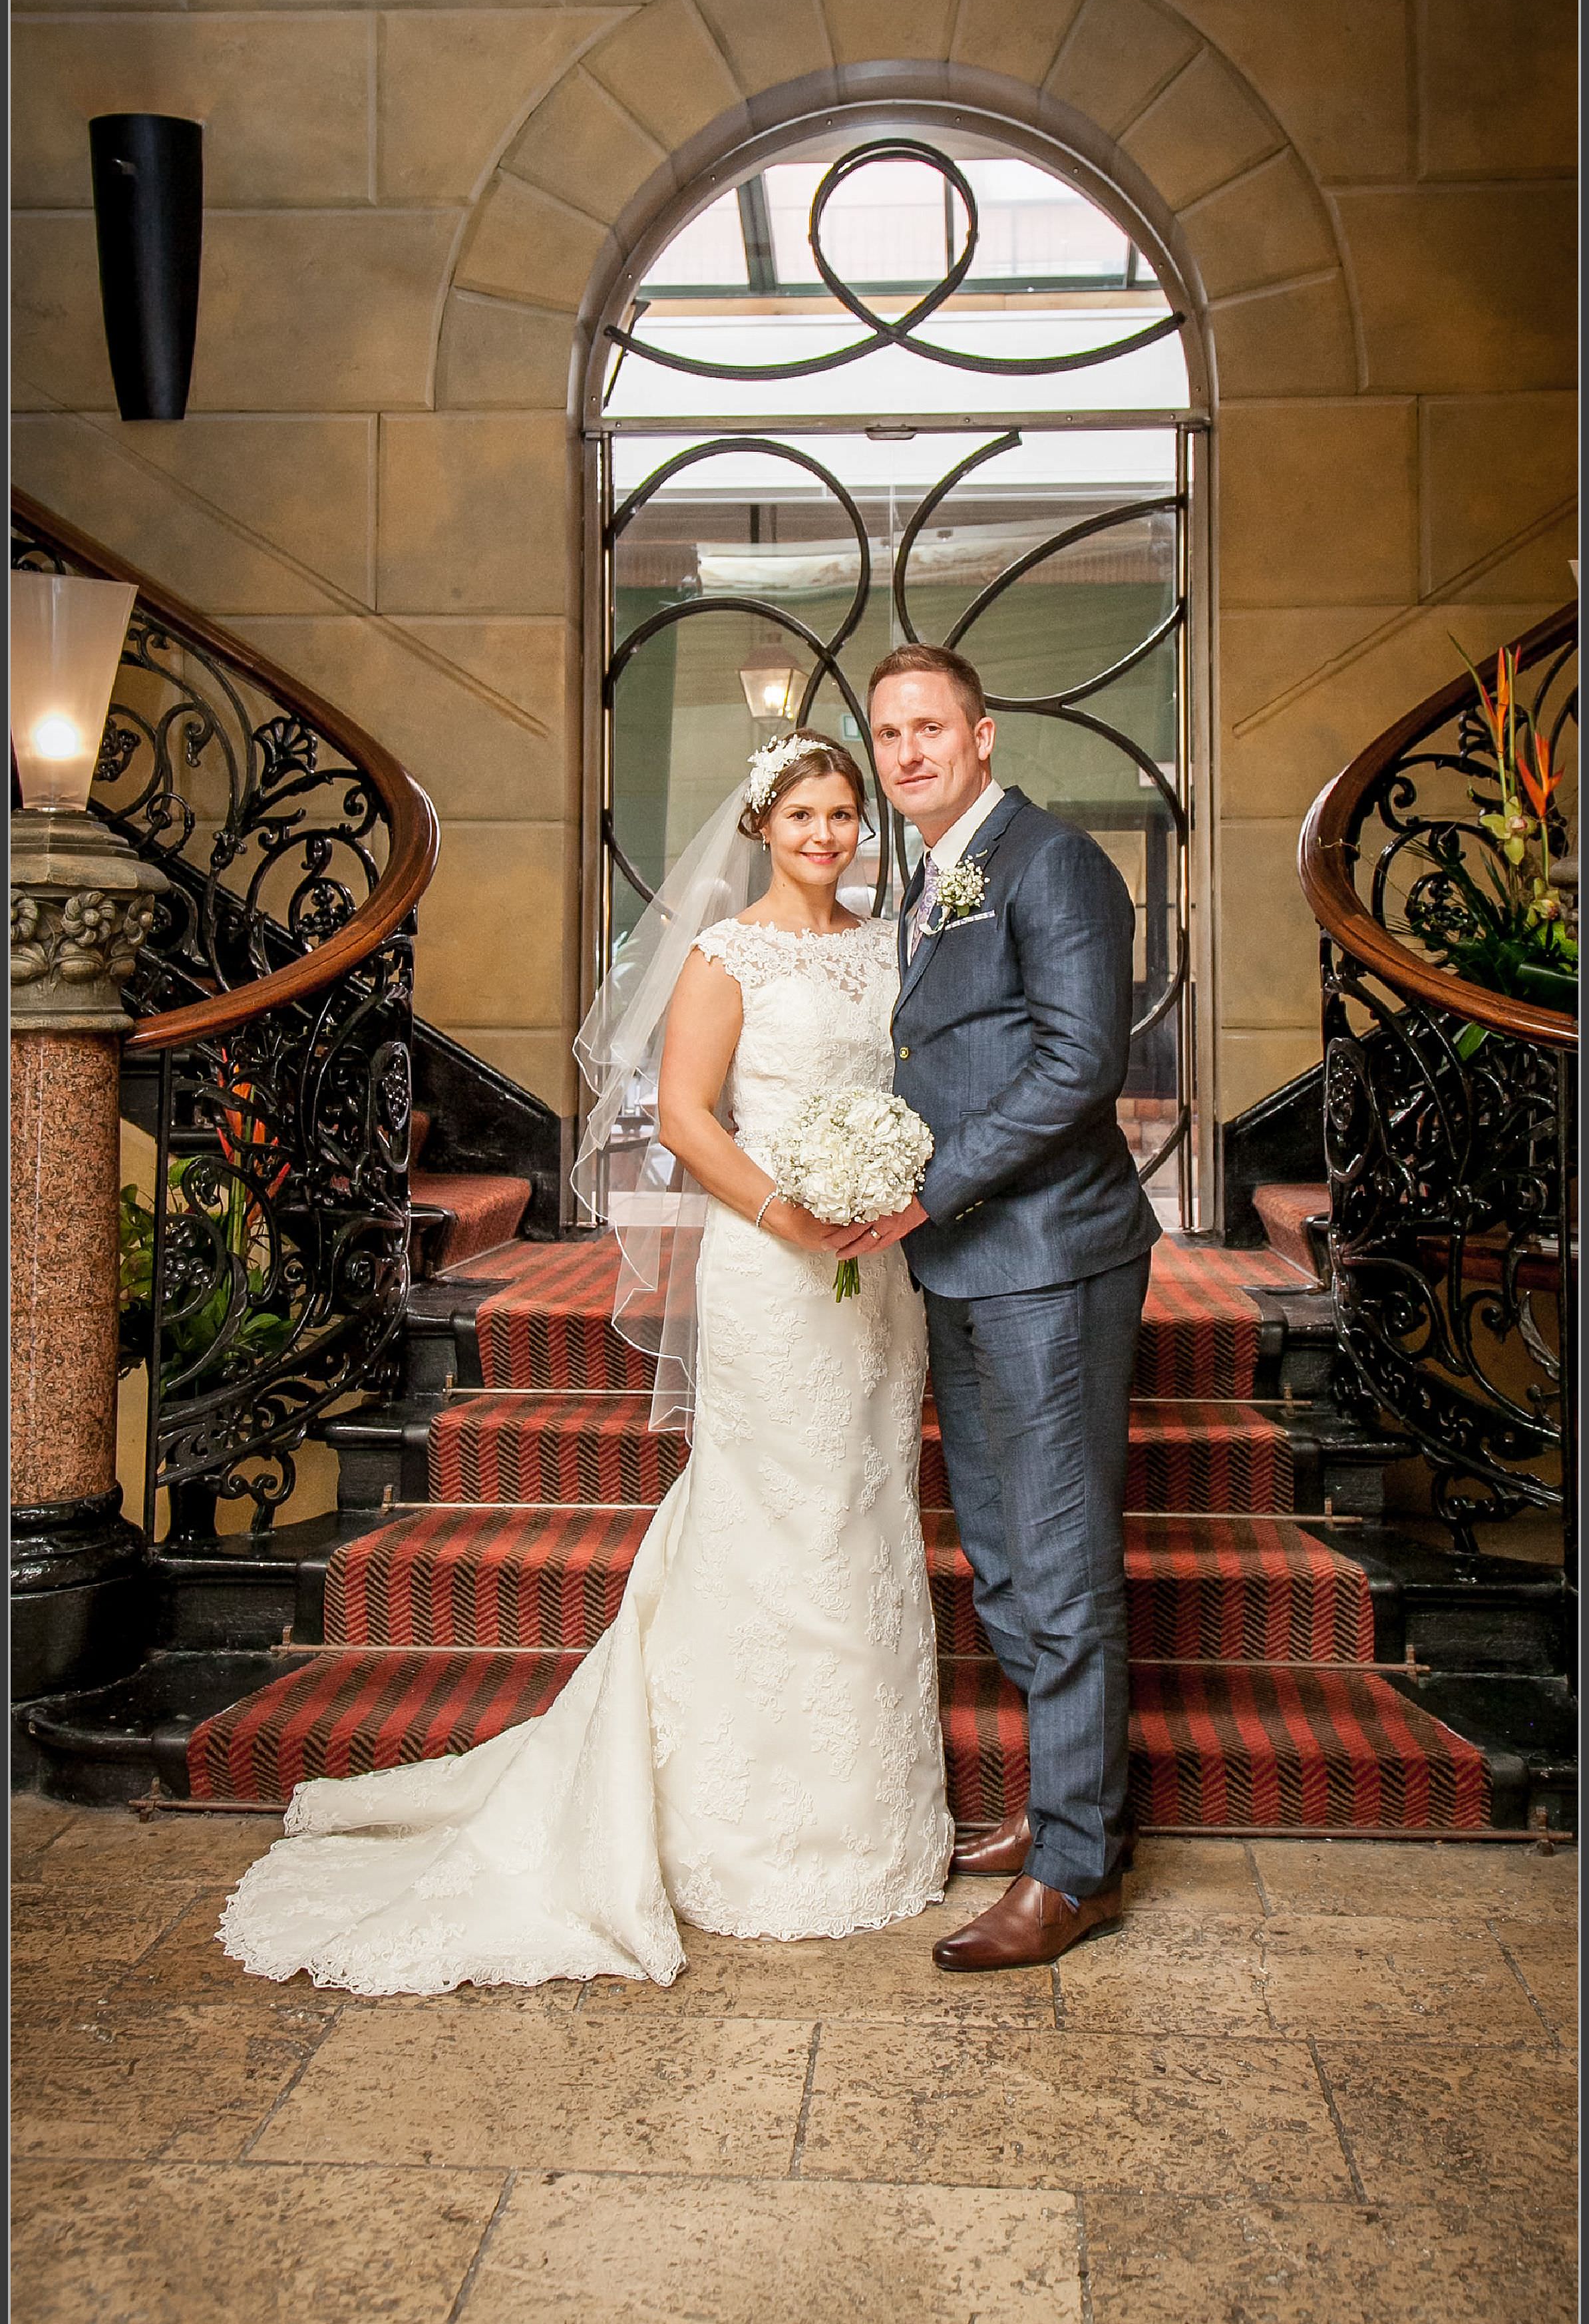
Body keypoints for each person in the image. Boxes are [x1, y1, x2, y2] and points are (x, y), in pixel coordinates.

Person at [215, 731, 954, 1995]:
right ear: (762, 828)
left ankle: (870, 1817)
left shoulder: (894, 947)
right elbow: (683, 1117)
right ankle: (743, 1831)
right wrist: (793, 1213)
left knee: (864, 1511)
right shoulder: (728, 956)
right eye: (805, 816)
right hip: (777, 1266)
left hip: (874, 1268)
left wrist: (885, 1191)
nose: (828, 836)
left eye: (844, 815)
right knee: (774, 1515)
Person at [833, 643, 1159, 1973]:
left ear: (983, 736)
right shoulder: (923, 877)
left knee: (1063, 1557)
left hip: (1050, 1258)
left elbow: (1083, 1064)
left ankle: (1076, 1867)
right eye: (889, 733)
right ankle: (1069, 1809)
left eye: (930, 728)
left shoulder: (1053, 861)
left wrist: (923, 1192)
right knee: (1009, 1555)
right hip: (965, 1259)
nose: (907, 751)